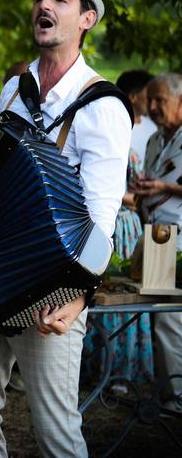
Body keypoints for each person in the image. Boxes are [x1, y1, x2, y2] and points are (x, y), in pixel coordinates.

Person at [0, 0, 132, 457]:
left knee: (55, 430)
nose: (44, 5)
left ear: (86, 19)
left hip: (51, 289)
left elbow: (102, 217)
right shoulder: (15, 90)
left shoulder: (102, 107)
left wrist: (80, 294)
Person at [83, 69, 159, 385]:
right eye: (146, 95)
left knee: (124, 293)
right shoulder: (116, 129)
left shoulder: (147, 131)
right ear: (132, 96)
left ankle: (116, 369)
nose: (150, 103)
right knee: (109, 292)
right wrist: (134, 196)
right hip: (117, 220)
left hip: (127, 223)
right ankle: (106, 368)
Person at [133, 72, 182, 411]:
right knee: (162, 318)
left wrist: (165, 189)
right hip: (158, 236)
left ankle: (176, 397)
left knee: (169, 319)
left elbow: (166, 186)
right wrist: (142, 191)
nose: (151, 107)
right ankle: (170, 392)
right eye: (149, 100)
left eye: (159, 100)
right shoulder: (154, 140)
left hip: (179, 237)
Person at [118, 70, 158, 160]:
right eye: (149, 98)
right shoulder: (115, 127)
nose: (153, 104)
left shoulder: (153, 127)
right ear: (133, 97)